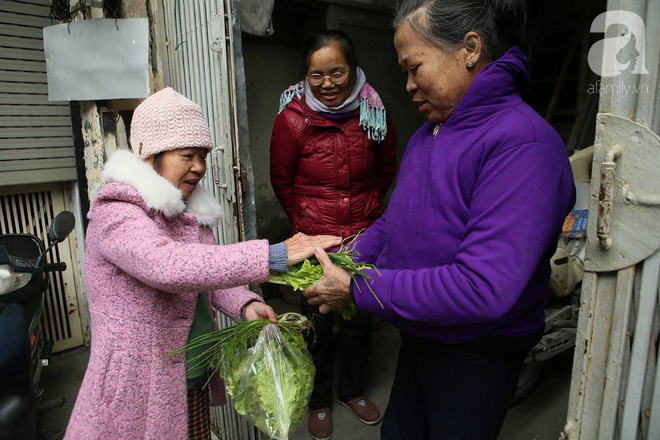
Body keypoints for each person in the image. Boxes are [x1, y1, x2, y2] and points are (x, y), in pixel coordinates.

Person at [303, 1, 576, 439]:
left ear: (470, 48)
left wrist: (356, 287)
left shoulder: (524, 146)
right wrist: (339, 256)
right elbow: (394, 225)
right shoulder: (429, 134)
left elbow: (481, 288)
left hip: (476, 356)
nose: (408, 86)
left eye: (415, 67)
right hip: (423, 336)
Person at [64, 88, 340, 440]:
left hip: (189, 374)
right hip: (138, 386)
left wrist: (245, 304)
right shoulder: (116, 214)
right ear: (149, 154)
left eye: (203, 155)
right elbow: (169, 266)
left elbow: (205, 279)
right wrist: (274, 256)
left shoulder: (186, 213)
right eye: (187, 155)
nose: (199, 167)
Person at [270, 30, 397, 440]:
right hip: (314, 241)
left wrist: (369, 209)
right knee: (317, 325)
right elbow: (281, 179)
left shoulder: (373, 112)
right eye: (316, 75)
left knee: (360, 321)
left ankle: (353, 391)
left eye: (336, 72)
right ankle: (320, 400)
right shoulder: (292, 118)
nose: (327, 83)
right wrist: (304, 221)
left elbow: (387, 167)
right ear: (305, 75)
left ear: (353, 69)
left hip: (363, 235)